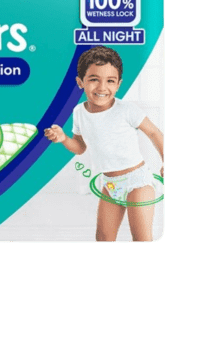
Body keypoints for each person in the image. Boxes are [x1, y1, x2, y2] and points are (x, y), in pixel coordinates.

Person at [44, 46, 164, 242]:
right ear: (80, 82)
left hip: (138, 182)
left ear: (118, 85)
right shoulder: (79, 112)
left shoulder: (126, 110)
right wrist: (63, 139)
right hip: (109, 184)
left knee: (141, 238)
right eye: (94, 79)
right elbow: (80, 147)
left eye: (110, 81)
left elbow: (154, 132)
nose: (102, 87)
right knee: (103, 238)